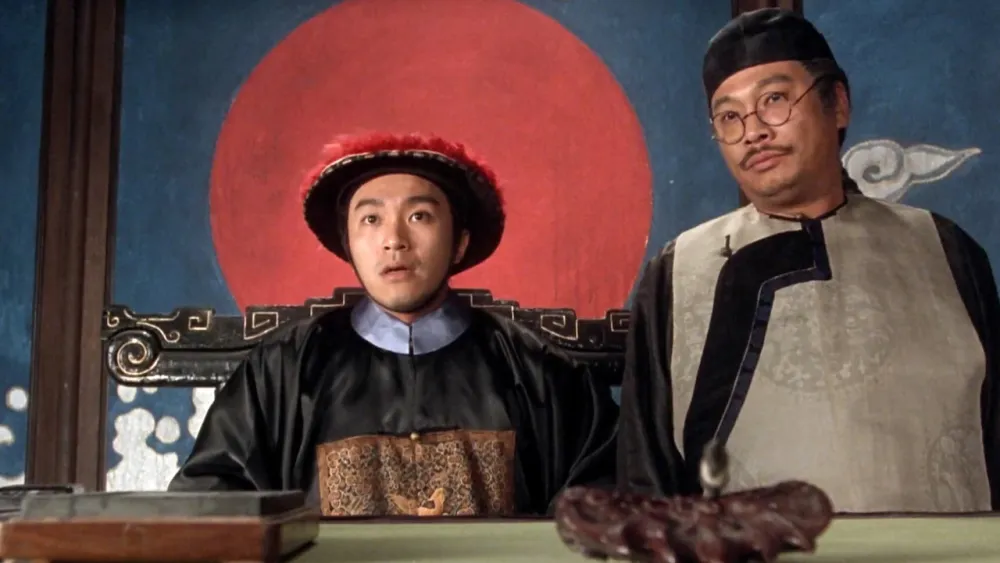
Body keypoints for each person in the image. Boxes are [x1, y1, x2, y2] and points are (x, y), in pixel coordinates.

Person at [617, 8, 999, 513]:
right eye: (729, 117)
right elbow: (645, 477)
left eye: (774, 100)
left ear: (837, 104)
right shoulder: (677, 272)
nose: (753, 131)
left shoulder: (944, 250)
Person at [169, 132, 619, 517]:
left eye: (419, 216)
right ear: (348, 244)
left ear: (459, 242)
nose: (394, 240)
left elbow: (604, 501)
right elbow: (212, 501)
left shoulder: (538, 373)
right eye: (371, 219)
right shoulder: (284, 371)